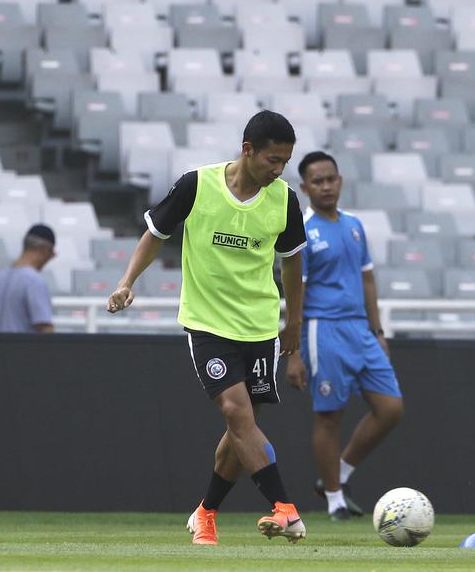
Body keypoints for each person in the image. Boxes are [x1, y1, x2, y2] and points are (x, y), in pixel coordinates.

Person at [107, 110, 308, 546]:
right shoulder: (196, 185)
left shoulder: (285, 200)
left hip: (258, 326)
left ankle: (206, 512)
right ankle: (284, 507)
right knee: (237, 414)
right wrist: (126, 283)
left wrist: (294, 322)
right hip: (207, 323)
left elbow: (292, 261)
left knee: (243, 429)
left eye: (285, 162)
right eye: (273, 159)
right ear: (247, 149)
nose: (278, 170)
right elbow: (156, 233)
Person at [287, 151, 404, 521]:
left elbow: (367, 278)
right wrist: (293, 351)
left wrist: (378, 329)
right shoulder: (302, 231)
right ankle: (335, 499)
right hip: (323, 328)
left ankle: (338, 475)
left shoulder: (354, 225)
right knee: (329, 416)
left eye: (331, 179)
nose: (326, 186)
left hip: (360, 330)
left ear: (340, 181)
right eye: (317, 181)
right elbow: (296, 290)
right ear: (305, 188)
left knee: (391, 408)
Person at [0, 224, 56, 333]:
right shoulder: (34, 282)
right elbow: (45, 328)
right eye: (51, 254)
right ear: (45, 249)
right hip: (24, 349)